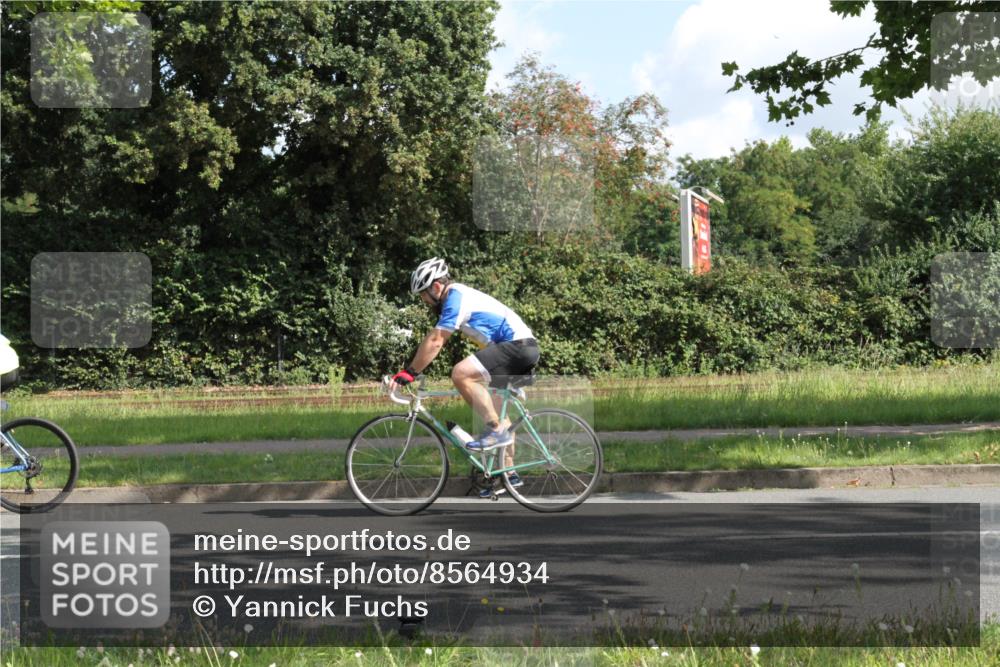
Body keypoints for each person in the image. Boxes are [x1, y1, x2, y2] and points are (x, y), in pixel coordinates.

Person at [389, 257, 540, 497]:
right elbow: (434, 338)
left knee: (460, 374)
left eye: (423, 295)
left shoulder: (455, 297)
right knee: (497, 407)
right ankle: (508, 474)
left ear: (436, 287)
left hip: (517, 346)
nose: (424, 301)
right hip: (520, 347)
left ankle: (495, 431)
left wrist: (410, 373)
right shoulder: (457, 298)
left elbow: (437, 340)